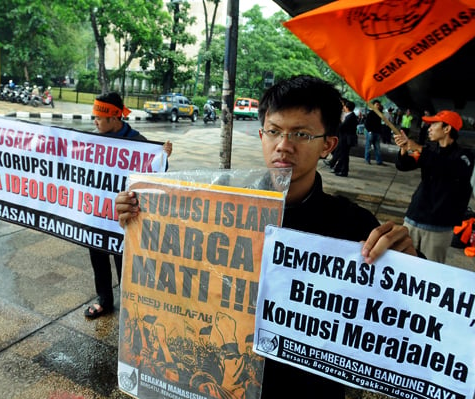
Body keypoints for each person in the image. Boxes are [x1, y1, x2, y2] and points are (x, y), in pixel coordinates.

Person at [115, 75, 417, 398]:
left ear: (328, 144)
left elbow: (407, 322)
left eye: (301, 134)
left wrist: (409, 264)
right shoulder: (221, 210)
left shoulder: (353, 226)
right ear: (262, 135)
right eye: (274, 131)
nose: (283, 145)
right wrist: (142, 222)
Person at [85, 91, 172, 319]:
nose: (95, 121)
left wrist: (163, 157)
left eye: (98, 117)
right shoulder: (93, 141)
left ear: (114, 117)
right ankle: (104, 298)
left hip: (124, 217)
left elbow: (155, 173)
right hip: (97, 214)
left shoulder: (138, 142)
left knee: (124, 260)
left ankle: (130, 302)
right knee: (98, 256)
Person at [394, 110, 474, 263]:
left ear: (447, 129)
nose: (429, 128)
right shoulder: (431, 150)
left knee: (429, 271)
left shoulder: (464, 156)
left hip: (438, 225)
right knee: (402, 265)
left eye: (434, 124)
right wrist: (404, 149)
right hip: (414, 218)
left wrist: (418, 148)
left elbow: (449, 168)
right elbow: (404, 165)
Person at [332, 100, 358, 177]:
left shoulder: (350, 117)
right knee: (343, 155)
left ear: (347, 107)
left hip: (346, 139)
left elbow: (342, 127)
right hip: (345, 138)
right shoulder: (350, 116)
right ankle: (339, 168)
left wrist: (338, 123)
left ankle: (344, 171)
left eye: (344, 106)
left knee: (344, 155)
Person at [364, 99, 384, 165]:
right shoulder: (371, 113)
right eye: (376, 105)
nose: (378, 106)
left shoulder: (379, 114)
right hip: (371, 132)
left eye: (379, 105)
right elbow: (366, 123)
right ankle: (367, 159)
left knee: (377, 147)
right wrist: (369, 131)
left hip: (377, 132)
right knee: (368, 147)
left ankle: (379, 161)